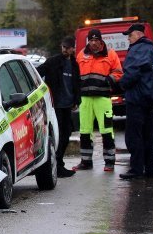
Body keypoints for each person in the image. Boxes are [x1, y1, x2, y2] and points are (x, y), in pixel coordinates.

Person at [117, 23, 153, 180]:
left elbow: (132, 73)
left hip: (137, 99)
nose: (128, 40)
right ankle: (151, 170)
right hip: (150, 99)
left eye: (129, 36)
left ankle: (136, 169)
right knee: (149, 136)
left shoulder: (137, 49)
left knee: (134, 136)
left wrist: (121, 84)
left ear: (137, 35)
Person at [74, 28, 123, 172]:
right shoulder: (81, 55)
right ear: (88, 41)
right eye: (91, 40)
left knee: (107, 130)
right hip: (85, 99)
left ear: (101, 41)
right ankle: (86, 162)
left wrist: (108, 81)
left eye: (96, 40)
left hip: (102, 98)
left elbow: (119, 73)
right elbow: (76, 75)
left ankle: (109, 162)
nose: (94, 43)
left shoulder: (111, 54)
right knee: (84, 130)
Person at [36, 35, 80, 178]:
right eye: (63, 47)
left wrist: (76, 100)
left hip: (68, 105)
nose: (65, 50)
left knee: (66, 133)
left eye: (68, 47)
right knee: (59, 134)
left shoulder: (74, 64)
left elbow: (76, 83)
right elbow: (37, 73)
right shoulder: (53, 62)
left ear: (73, 48)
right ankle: (57, 164)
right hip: (56, 106)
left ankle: (59, 162)